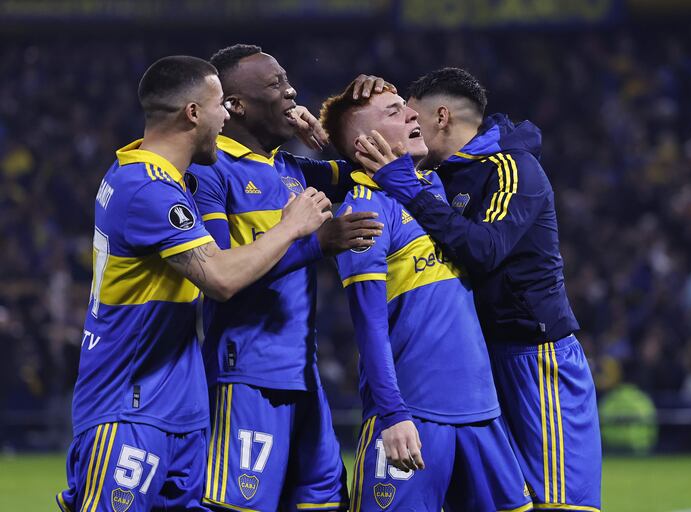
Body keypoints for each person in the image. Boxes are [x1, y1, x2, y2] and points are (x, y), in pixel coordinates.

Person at [57, 55, 331, 512]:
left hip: (177, 407)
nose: (227, 117)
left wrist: (307, 135)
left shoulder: (156, 172)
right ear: (193, 113)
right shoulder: (147, 189)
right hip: (129, 405)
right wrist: (291, 227)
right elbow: (220, 278)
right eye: (221, 105)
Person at [361, 67, 602, 512]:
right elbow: (353, 174)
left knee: (559, 505)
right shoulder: (438, 177)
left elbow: (486, 250)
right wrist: (325, 128)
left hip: (537, 361)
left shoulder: (514, 168)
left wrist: (410, 191)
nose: (407, 126)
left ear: (441, 117)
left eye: (412, 116)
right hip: (479, 371)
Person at [186, 44, 387, 512]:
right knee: (238, 506)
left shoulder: (292, 169)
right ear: (235, 105)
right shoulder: (212, 173)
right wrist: (317, 243)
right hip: (246, 373)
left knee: (323, 503)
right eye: (275, 83)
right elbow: (221, 269)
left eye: (288, 79)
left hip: (302, 371)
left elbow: (373, 168)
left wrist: (331, 137)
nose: (291, 90)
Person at [319, 80, 533, 512]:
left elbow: (496, 139)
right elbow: (370, 326)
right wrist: (393, 415)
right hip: (414, 417)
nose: (414, 115)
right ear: (367, 142)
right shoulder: (365, 211)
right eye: (395, 112)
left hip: (483, 414)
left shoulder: (434, 187)